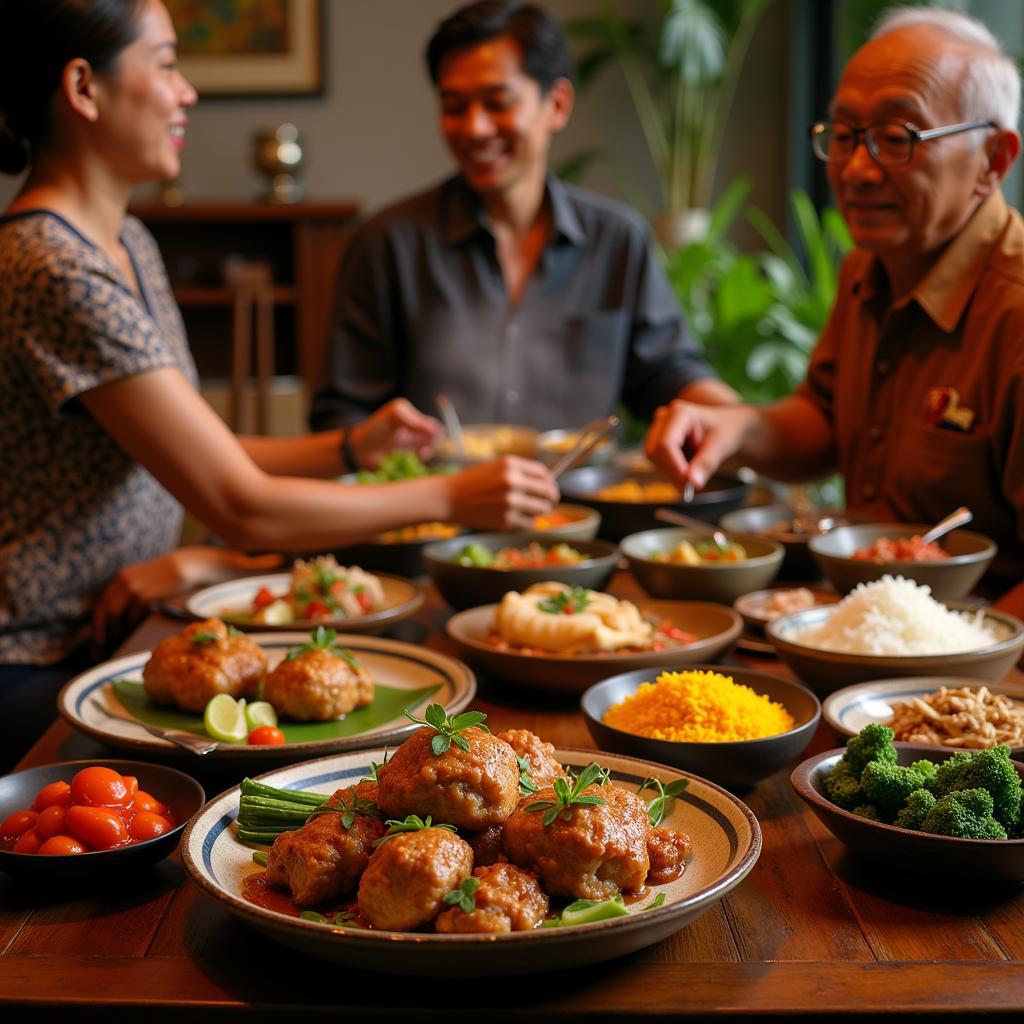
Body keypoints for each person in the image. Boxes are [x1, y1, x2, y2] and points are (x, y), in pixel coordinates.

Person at [0, 0, 558, 768]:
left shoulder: (124, 238)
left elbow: (204, 448)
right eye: (166, 63)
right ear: (84, 88)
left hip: (129, 632)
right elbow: (238, 505)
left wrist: (351, 445)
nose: (187, 91)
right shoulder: (54, 263)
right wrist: (453, 496)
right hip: (43, 665)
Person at [645, 6, 1024, 609]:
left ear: (993, 161)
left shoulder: (1013, 308)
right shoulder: (869, 267)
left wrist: (961, 659)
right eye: (845, 135)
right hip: (866, 619)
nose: (856, 170)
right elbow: (824, 421)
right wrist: (734, 426)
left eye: (898, 139)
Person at [309, 0, 738, 434]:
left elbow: (666, 373)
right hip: (437, 496)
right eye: (455, 106)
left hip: (579, 497)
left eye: (498, 103)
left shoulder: (618, 240)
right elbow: (342, 413)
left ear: (557, 105)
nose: (474, 128)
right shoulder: (387, 243)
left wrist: (740, 420)